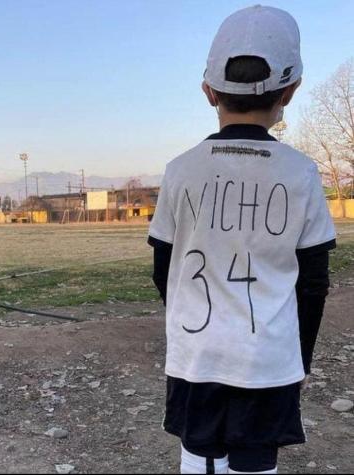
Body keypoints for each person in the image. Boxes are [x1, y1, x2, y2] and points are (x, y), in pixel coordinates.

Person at [148, 6, 337, 475]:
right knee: (256, 460)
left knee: (199, 456)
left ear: (208, 90)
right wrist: (300, 359)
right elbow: (313, 283)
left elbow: (163, 269)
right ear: (290, 93)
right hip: (268, 359)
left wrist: (194, 325)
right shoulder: (302, 173)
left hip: (197, 357)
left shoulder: (180, 170)